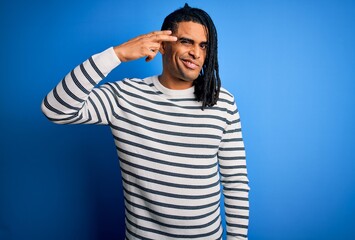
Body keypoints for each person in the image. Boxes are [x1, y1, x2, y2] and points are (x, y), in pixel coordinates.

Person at [41, 4, 249, 240]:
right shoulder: (125, 96)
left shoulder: (221, 101)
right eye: (186, 42)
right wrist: (116, 54)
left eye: (204, 45)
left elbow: (236, 182)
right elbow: (55, 108)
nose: (196, 53)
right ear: (162, 44)